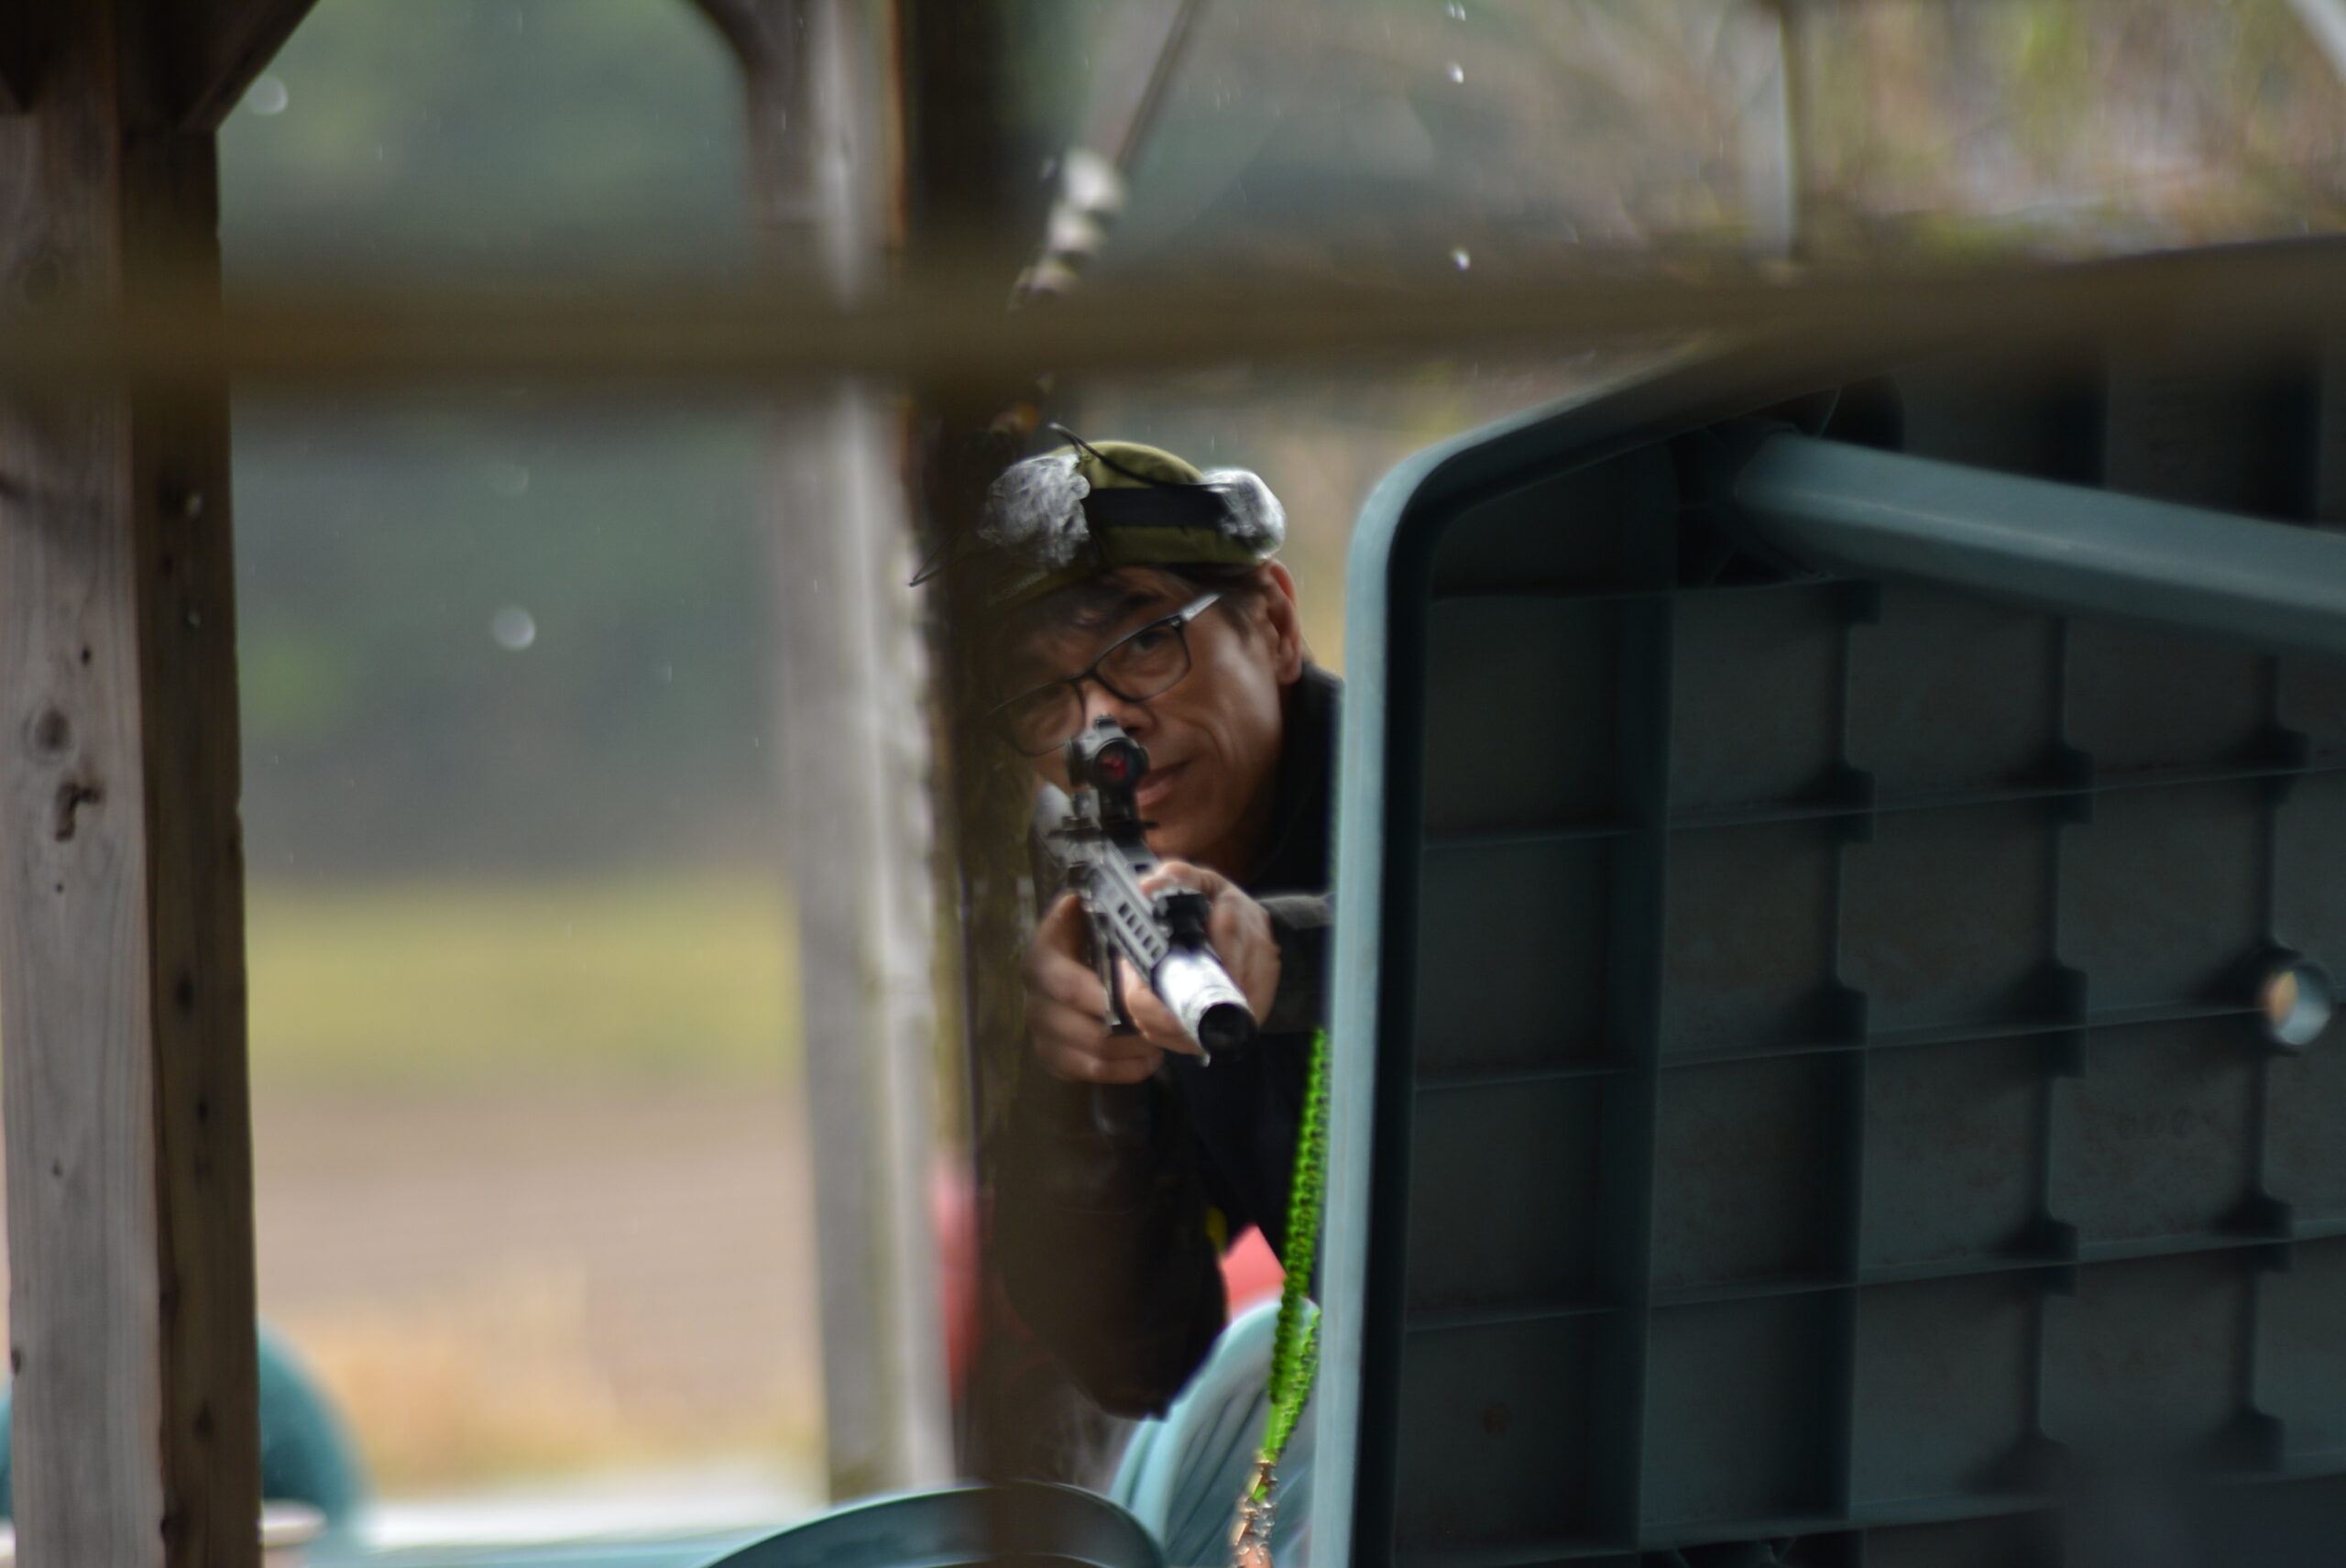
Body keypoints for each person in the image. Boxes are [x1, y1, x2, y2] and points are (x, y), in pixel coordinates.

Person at [971, 435, 1334, 1557]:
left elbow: (1478, 922)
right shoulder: (1110, 890)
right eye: (1044, 694)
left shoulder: (1444, 781)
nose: (1101, 726)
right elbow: (1137, 1355)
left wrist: (1284, 957)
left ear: (1274, 625)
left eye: (1142, 644)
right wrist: (1083, 1083)